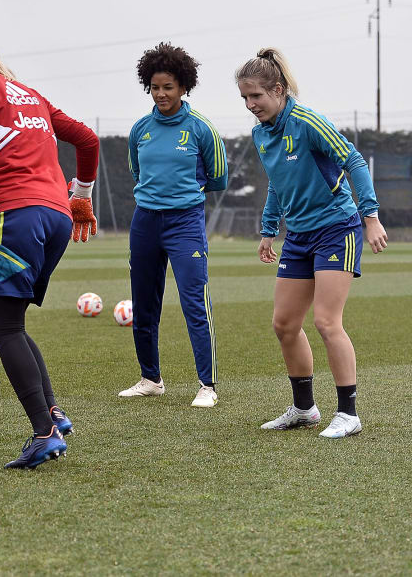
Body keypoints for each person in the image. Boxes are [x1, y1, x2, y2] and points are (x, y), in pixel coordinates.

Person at [0, 26, 100, 469]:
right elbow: (87, 139)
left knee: (3, 326)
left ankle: (43, 433)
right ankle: (52, 412)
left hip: (16, 213)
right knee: (14, 322)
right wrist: (81, 193)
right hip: (57, 217)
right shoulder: (29, 93)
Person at [239, 48, 385, 439]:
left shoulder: (306, 121)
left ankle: (349, 414)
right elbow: (278, 183)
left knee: (325, 321)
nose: (252, 105)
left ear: (279, 90)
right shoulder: (261, 133)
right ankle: (304, 409)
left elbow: (353, 160)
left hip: (338, 228)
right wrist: (269, 229)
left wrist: (370, 217)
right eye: (245, 98)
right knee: (285, 324)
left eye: (257, 96)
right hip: (299, 236)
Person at [120, 43, 227, 408]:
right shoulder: (140, 130)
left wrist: (184, 196)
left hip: (185, 223)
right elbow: (137, 171)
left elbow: (217, 178)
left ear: (183, 87)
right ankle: (151, 379)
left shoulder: (201, 129)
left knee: (194, 302)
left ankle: (207, 386)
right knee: (144, 303)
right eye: (154, 86)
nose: (161, 93)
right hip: (145, 221)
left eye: (168, 86)